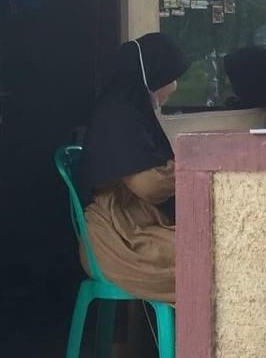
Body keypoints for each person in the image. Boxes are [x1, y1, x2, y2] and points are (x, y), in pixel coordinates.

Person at [79, 33, 189, 305]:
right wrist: (187, 169)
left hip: (135, 225)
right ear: (153, 77)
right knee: (207, 254)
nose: (173, 87)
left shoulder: (127, 113)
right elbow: (149, 186)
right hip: (118, 239)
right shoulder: (118, 118)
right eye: (170, 79)